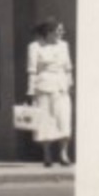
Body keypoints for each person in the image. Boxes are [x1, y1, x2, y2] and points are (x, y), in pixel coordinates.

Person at [26, 17, 75, 167]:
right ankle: (47, 156)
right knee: (45, 122)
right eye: (59, 30)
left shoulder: (64, 45)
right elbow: (32, 70)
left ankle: (63, 154)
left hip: (61, 87)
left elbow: (68, 67)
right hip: (43, 87)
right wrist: (30, 91)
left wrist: (70, 83)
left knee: (64, 120)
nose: (62, 33)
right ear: (49, 32)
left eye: (62, 30)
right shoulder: (35, 46)